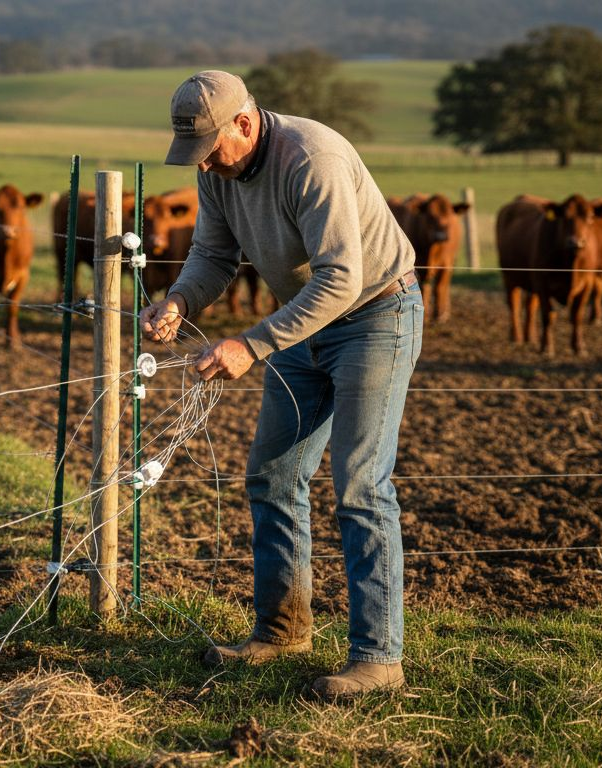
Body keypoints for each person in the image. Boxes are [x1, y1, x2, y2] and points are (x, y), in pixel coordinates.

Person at [139, 70, 422, 699]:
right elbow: (213, 257)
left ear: (245, 122)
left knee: (360, 485)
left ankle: (378, 659)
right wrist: (181, 300)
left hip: (374, 315)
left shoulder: (311, 158)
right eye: (196, 154)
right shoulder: (215, 171)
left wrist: (250, 344)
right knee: (274, 475)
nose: (205, 164)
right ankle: (283, 630)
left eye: (212, 147)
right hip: (301, 321)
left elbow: (342, 280)